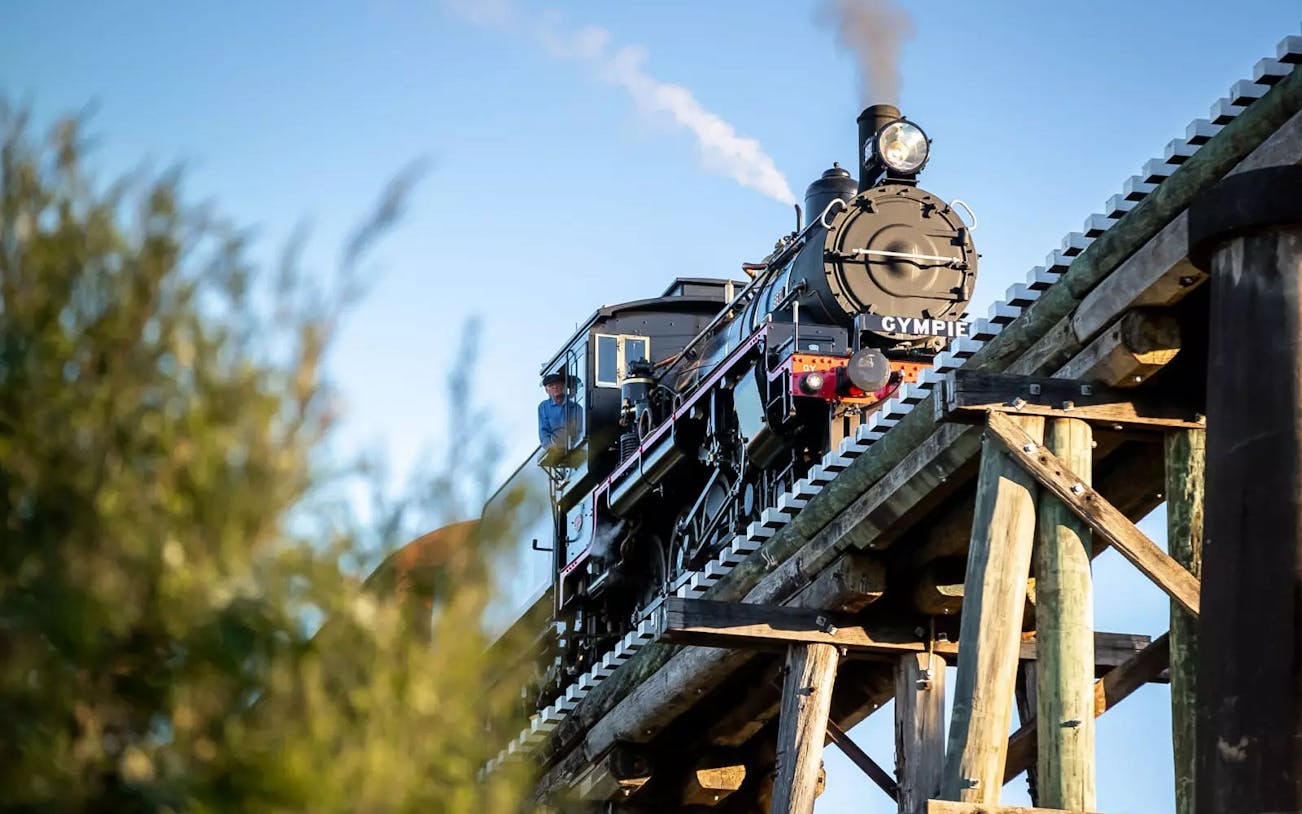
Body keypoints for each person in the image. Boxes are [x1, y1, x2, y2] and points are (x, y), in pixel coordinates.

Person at [538, 372, 583, 454]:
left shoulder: (577, 408)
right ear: (546, 390)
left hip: (574, 449)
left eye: (558, 384)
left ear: (563, 386)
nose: (555, 387)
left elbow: (580, 430)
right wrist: (551, 448)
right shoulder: (544, 407)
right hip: (555, 450)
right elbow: (543, 431)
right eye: (551, 385)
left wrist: (574, 446)